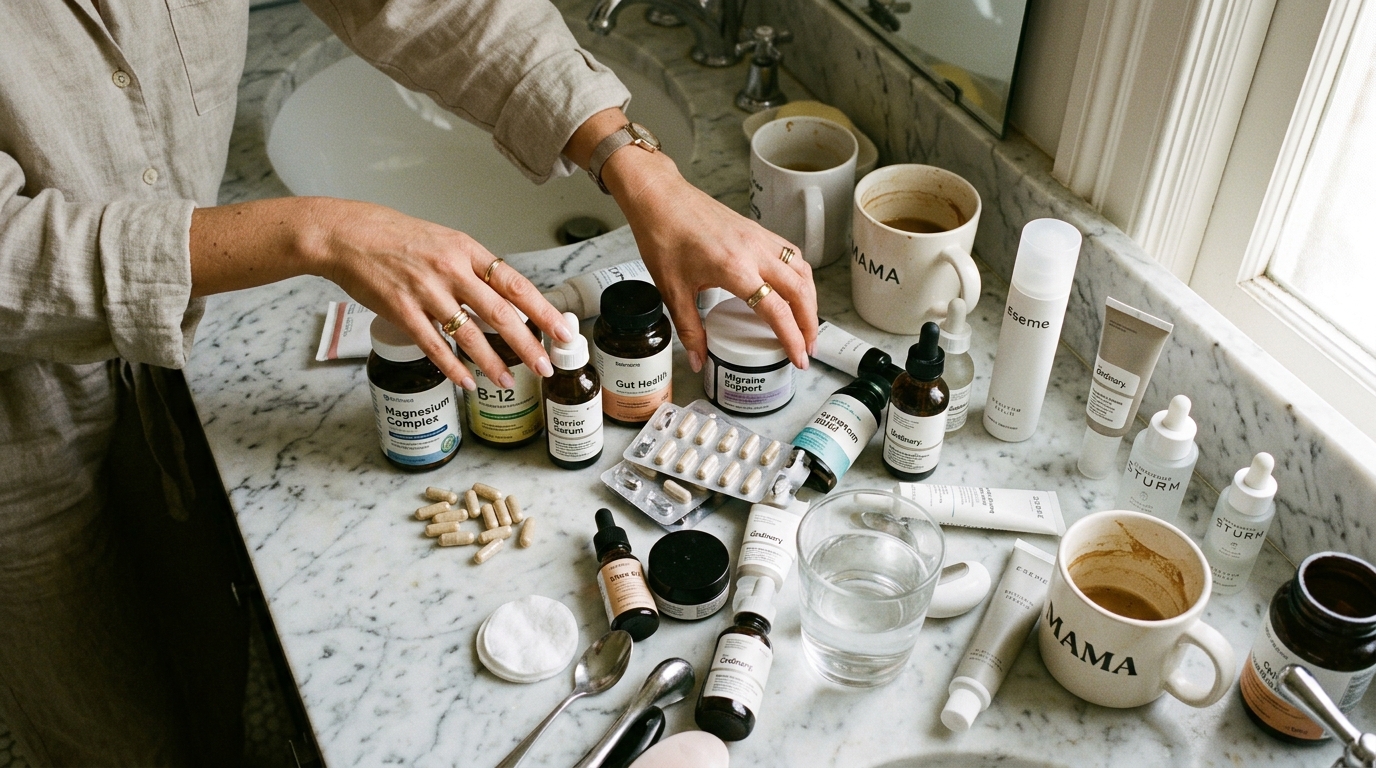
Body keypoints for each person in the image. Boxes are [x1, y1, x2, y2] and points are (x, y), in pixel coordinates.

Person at [0, 0, 817, 764]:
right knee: (103, 724)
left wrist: (632, 161)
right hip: (18, 423)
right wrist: (317, 230)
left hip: (178, 361)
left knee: (207, 644)